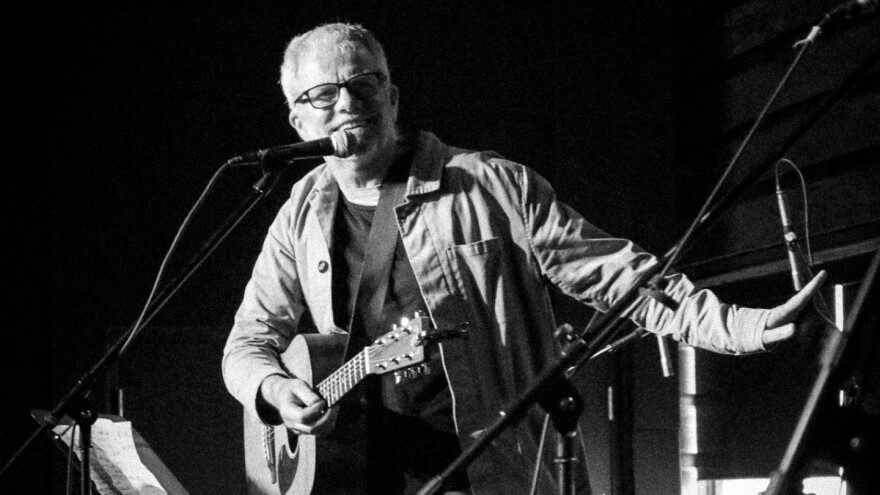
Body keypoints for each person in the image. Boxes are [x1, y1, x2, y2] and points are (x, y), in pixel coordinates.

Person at [222, 22, 826, 495]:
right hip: (357, 476)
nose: (347, 103)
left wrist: (739, 326)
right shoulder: (299, 212)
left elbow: (620, 276)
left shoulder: (490, 185)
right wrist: (275, 389)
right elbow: (246, 344)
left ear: (393, 95)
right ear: (298, 118)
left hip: (489, 474)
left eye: (364, 84)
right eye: (323, 94)